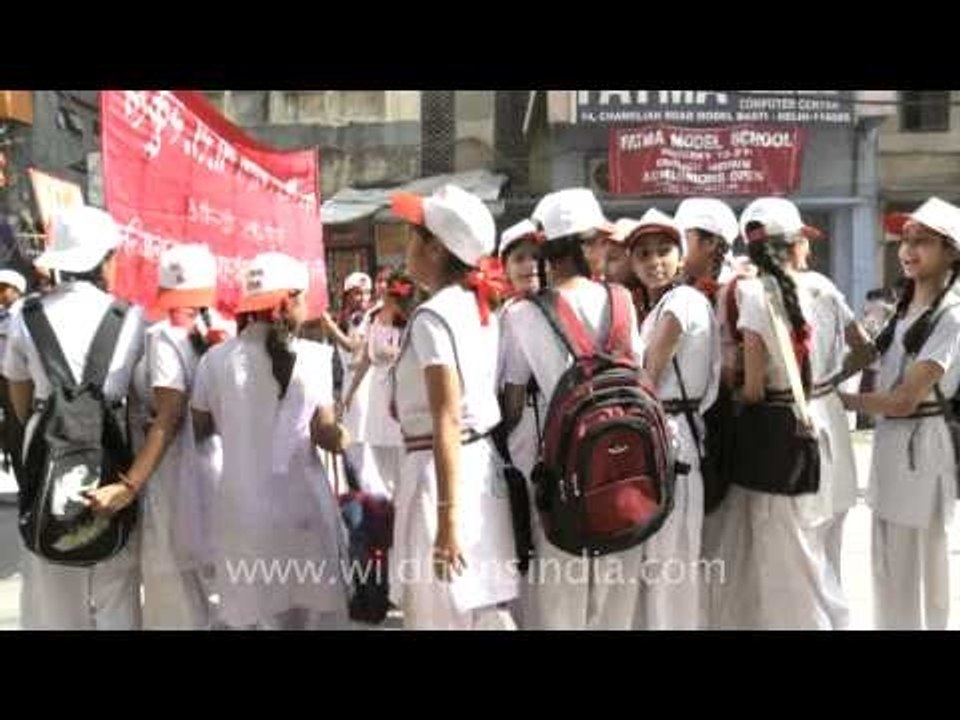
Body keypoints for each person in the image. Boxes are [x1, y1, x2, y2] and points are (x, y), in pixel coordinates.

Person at [500, 188, 646, 630]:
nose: (607, 248)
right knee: (615, 600)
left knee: (562, 600)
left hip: (562, 467)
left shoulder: (524, 313)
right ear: (583, 247)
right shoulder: (622, 300)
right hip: (626, 469)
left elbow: (512, 397)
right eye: (601, 241)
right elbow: (636, 373)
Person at [191, 252, 351, 630]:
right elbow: (325, 432)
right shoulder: (315, 358)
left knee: (253, 615)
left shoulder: (214, 361)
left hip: (242, 514)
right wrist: (342, 437)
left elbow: (198, 430)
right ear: (289, 301)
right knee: (308, 615)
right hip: (303, 512)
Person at [3, 206, 146, 630]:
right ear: (103, 258)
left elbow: (19, 397)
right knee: (116, 585)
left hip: (48, 451)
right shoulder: (131, 317)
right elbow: (140, 395)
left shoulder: (24, 316)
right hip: (114, 459)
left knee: (51, 580)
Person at [388, 185, 518, 630]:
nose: (406, 245)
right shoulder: (479, 307)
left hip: (441, 473)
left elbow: (445, 416)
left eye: (412, 234)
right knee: (481, 610)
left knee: (436, 613)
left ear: (436, 247)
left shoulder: (434, 316)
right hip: (479, 468)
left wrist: (447, 519)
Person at [709, 197, 840, 630]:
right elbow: (861, 349)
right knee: (820, 546)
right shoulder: (825, 287)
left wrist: (729, 385)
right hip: (825, 423)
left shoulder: (752, 296)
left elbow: (753, 390)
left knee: (785, 555)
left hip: (778, 437)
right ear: (795, 244)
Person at [840, 197, 960, 630]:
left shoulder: (953, 317)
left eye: (922, 241)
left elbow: (905, 398)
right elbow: (866, 359)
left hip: (923, 448)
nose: (907, 250)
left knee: (926, 572)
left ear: (952, 252)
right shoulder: (902, 311)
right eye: (905, 240)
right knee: (888, 568)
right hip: (893, 448)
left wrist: (842, 402)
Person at [624, 208, 721, 629]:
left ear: (681, 256)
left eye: (664, 251)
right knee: (659, 565)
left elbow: (650, 373)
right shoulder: (659, 303)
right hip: (660, 435)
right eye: (643, 254)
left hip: (672, 438)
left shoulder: (682, 301)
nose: (653, 261)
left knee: (672, 566)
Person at [127, 244, 233, 629]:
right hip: (219, 466)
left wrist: (130, 483)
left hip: (171, 472)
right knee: (215, 581)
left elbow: (168, 416)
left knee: (173, 583)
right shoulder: (229, 329)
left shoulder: (164, 337)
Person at [342, 269, 419, 499]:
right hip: (377, 396)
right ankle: (391, 509)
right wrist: (349, 392)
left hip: (399, 396)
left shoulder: (411, 324)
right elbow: (366, 357)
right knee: (379, 458)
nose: (383, 295)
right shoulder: (374, 318)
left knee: (402, 460)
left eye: (390, 293)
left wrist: (393, 353)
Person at [0, 268, 26, 485]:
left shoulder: (25, 314)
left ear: (17, 290)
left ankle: (24, 483)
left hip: (16, 382)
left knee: (17, 432)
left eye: (3, 288)